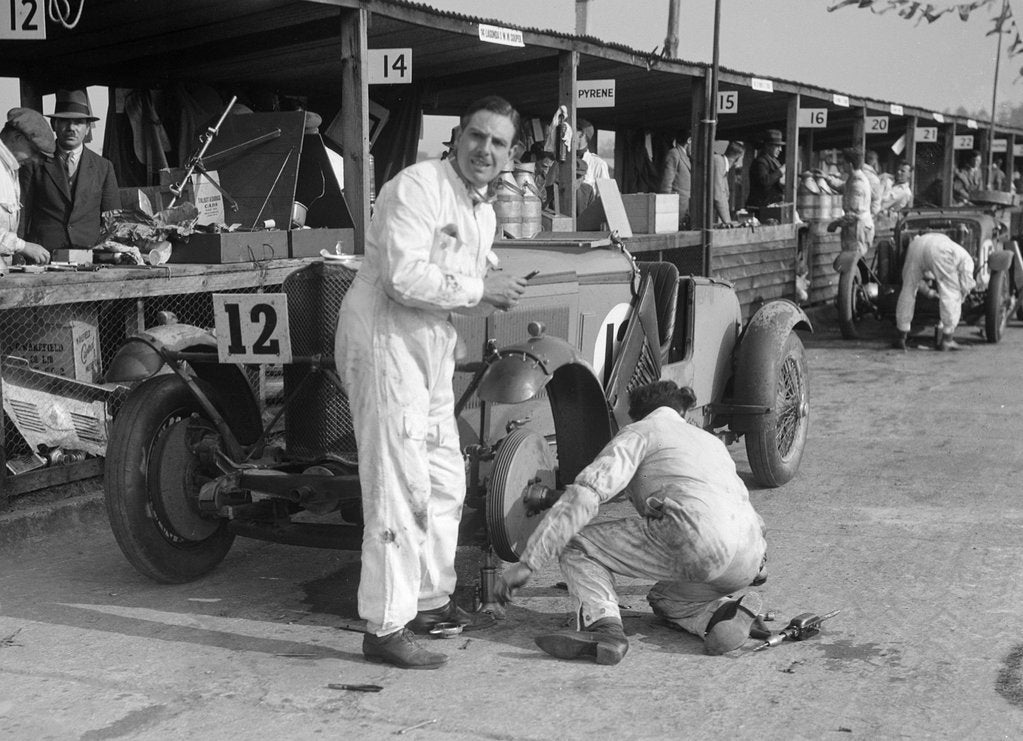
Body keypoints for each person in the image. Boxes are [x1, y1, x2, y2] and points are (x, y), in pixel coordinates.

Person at [334, 96, 529, 670]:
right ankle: (386, 624)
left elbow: (457, 270)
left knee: (444, 479)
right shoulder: (415, 186)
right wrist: (481, 291)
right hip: (384, 340)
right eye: (476, 136)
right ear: (456, 138)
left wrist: (483, 275)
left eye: (497, 143)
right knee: (397, 483)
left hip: (430, 346)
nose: (484, 150)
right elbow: (401, 277)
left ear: (511, 154)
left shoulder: (483, 212)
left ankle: (428, 599)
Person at [496, 380, 767, 665]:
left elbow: (586, 496)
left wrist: (529, 563)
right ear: (681, 411)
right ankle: (723, 615)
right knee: (667, 600)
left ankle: (603, 629)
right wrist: (758, 566)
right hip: (750, 557)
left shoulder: (640, 432)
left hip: (700, 540)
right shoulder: (711, 443)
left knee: (577, 544)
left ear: (636, 414)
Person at [19, 89, 119, 251]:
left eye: (79, 122)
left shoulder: (104, 167)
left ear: (87, 128)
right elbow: (22, 214)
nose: (71, 128)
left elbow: (112, 220)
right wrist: (21, 252)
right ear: (54, 125)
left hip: (90, 256)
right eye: (65, 121)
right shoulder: (34, 163)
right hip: (43, 255)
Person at [892, 232, 975, 352]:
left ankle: (901, 336)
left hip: (916, 246)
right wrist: (962, 295)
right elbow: (966, 283)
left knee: (908, 289)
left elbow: (918, 280)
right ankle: (947, 340)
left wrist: (928, 292)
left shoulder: (941, 242)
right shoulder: (966, 258)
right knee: (950, 292)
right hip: (940, 251)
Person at [1, 108, 55, 270]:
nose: (37, 161)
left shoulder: (10, 169)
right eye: (34, 152)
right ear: (17, 138)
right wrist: (23, 246)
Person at [826, 147, 873, 257]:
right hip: (853, 229)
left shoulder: (858, 184)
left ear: (850, 165)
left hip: (858, 230)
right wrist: (827, 178)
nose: (842, 166)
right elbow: (844, 187)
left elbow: (853, 214)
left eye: (843, 163)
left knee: (850, 264)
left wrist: (835, 223)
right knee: (852, 263)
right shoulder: (852, 179)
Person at [746, 129, 785, 218]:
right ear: (768, 146)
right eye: (777, 146)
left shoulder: (773, 161)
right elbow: (764, 181)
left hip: (771, 207)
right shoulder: (760, 162)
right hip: (761, 209)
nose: (780, 149)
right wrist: (781, 171)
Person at [658, 129, 693, 224]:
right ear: (689, 140)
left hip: (684, 209)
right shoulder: (674, 154)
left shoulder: (685, 156)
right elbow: (666, 184)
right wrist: (667, 210)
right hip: (675, 209)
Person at [713, 141, 744, 225]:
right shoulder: (718, 162)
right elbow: (718, 195)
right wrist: (727, 222)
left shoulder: (723, 165)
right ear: (737, 158)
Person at [575, 118, 609, 188]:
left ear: (581, 134)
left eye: (571, 131)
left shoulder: (598, 164)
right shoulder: (561, 161)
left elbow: (606, 196)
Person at [862, 150, 883, 218]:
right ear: (874, 161)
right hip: (869, 211)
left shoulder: (860, 171)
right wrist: (875, 213)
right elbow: (876, 197)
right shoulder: (874, 179)